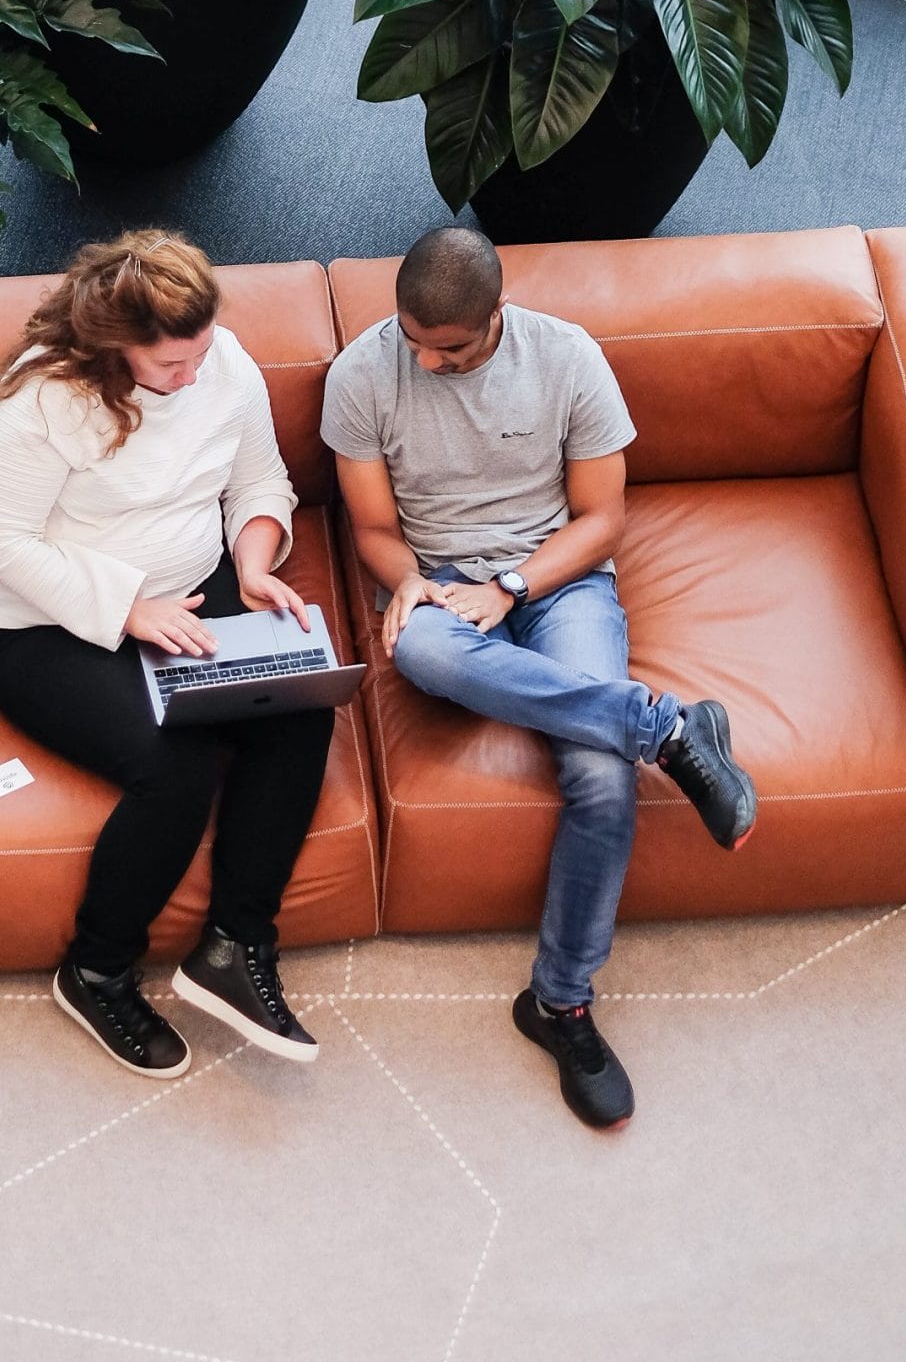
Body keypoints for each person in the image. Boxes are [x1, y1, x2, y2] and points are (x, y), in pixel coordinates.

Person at [322, 225, 757, 1129]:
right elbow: (370, 528)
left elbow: (601, 521)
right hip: (439, 587)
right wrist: (414, 586)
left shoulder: (565, 357)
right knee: (418, 649)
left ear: (496, 315)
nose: (427, 362)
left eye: (449, 348)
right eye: (412, 341)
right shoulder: (362, 375)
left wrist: (509, 586)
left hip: (554, 581)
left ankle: (558, 1001)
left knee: (599, 779)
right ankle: (665, 727)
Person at [0, 229, 334, 1079]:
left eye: (200, 354)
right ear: (110, 349)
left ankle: (236, 946)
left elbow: (260, 481)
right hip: (43, 619)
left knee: (299, 708)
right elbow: (4, 549)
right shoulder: (41, 401)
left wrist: (252, 561)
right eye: (171, 366)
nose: (194, 375)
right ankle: (95, 968)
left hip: (198, 587)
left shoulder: (221, 359)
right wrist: (129, 609)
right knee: (177, 764)